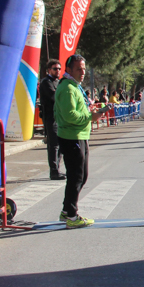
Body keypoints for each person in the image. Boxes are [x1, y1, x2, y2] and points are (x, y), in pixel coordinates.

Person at [54, 54, 106, 228]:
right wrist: (91, 116)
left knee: (81, 176)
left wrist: (89, 110)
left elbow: (76, 110)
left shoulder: (74, 86)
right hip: (72, 137)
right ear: (68, 69)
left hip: (80, 135)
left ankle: (67, 210)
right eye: (79, 69)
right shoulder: (67, 88)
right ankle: (71, 215)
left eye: (84, 69)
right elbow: (70, 115)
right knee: (76, 177)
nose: (83, 72)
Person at [38, 59, 63, 179]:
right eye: (55, 69)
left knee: (60, 144)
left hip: (60, 117)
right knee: (53, 144)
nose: (57, 71)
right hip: (50, 117)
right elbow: (54, 97)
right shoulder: (46, 82)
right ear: (49, 70)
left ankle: (57, 168)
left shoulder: (58, 82)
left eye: (59, 68)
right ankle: (53, 171)